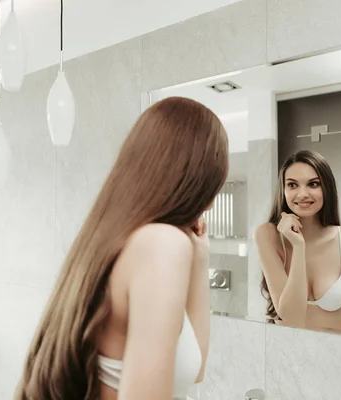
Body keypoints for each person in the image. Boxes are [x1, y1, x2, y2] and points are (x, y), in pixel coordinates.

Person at [15, 96, 229, 400]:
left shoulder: (120, 241)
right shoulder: (161, 245)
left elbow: (193, 372)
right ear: (202, 179)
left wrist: (200, 257)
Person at [256, 150, 341, 336]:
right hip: (287, 354)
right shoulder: (268, 235)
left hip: (337, 352)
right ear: (283, 190)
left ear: (327, 188)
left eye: (313, 184)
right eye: (292, 185)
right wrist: (298, 247)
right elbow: (292, 317)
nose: (303, 194)